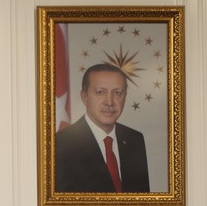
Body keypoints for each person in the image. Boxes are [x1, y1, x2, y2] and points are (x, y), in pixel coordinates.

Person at [54, 63, 150, 193]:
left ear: (125, 97)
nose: (109, 102)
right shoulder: (60, 144)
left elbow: (142, 200)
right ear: (85, 97)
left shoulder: (134, 139)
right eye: (101, 92)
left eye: (117, 93)